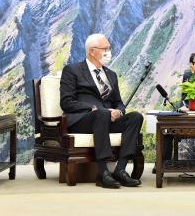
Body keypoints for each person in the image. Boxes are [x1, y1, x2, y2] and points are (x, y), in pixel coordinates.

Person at [60, 34, 144, 189]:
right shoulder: (72, 70)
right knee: (102, 113)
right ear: (92, 51)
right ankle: (103, 172)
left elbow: (119, 102)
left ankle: (120, 170)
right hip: (82, 120)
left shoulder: (111, 75)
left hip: (106, 119)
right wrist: (94, 109)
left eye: (109, 48)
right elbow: (66, 102)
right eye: (105, 49)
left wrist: (118, 112)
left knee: (135, 117)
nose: (109, 52)